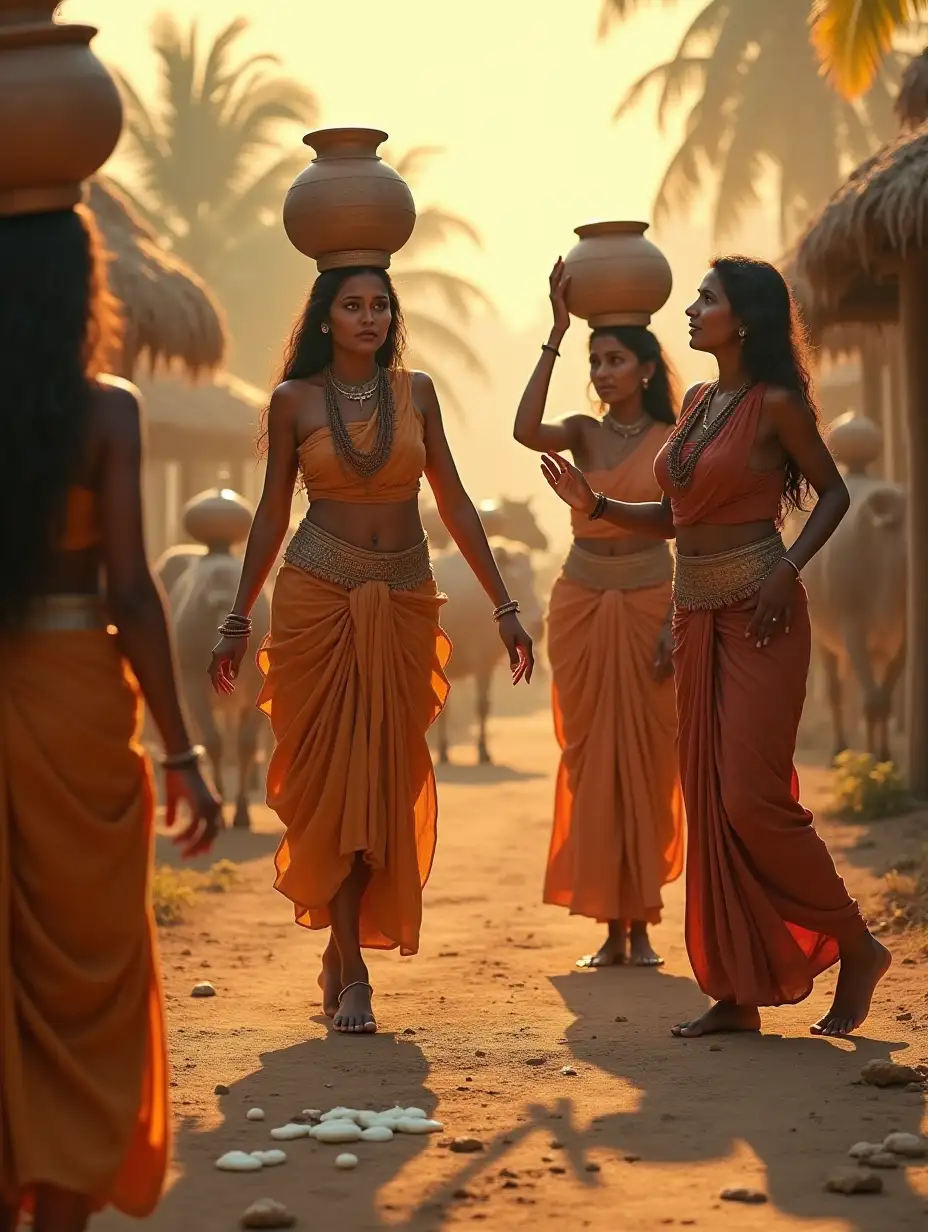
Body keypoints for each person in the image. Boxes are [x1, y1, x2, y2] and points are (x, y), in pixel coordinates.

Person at [540, 255, 890, 1038]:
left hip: (761, 608)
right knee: (707, 800)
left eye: (707, 298)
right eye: (696, 297)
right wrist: (593, 502)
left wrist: (788, 569)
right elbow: (676, 519)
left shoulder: (776, 405)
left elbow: (832, 492)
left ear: (747, 318)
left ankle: (856, 942)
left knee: (749, 798)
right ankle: (734, 991)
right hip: (694, 612)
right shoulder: (699, 400)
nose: (692, 310)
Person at [209, 265, 534, 1035]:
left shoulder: (415, 393)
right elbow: (269, 515)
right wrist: (235, 617)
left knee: (382, 779)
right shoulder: (293, 402)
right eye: (352, 305)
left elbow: (451, 500)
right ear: (324, 318)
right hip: (316, 599)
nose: (369, 317)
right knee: (333, 779)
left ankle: (342, 950)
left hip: (405, 600)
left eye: (380, 304)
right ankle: (354, 966)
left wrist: (506, 603)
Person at [0, 207, 220, 1232]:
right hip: (76, 694)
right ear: (88, 290)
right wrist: (183, 749)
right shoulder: (109, 414)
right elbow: (132, 592)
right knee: (82, 972)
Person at [513, 260, 683, 968]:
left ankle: (640, 926)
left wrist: (677, 618)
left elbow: (689, 527)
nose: (604, 371)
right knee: (590, 762)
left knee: (645, 764)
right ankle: (606, 931)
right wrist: (556, 333)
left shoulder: (678, 435)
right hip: (580, 602)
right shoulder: (581, 431)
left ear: (646, 369)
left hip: (652, 604)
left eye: (616, 360)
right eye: (596, 361)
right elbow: (525, 430)